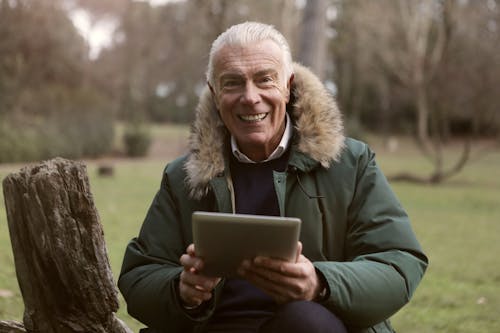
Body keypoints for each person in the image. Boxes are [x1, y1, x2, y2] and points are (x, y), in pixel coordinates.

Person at [118, 22, 428, 333]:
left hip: (310, 327)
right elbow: (139, 276)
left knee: (305, 321)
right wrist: (181, 290)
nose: (250, 97)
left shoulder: (351, 163)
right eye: (233, 83)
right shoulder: (181, 177)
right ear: (214, 93)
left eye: (265, 79)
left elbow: (399, 263)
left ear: (288, 84)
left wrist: (320, 283)